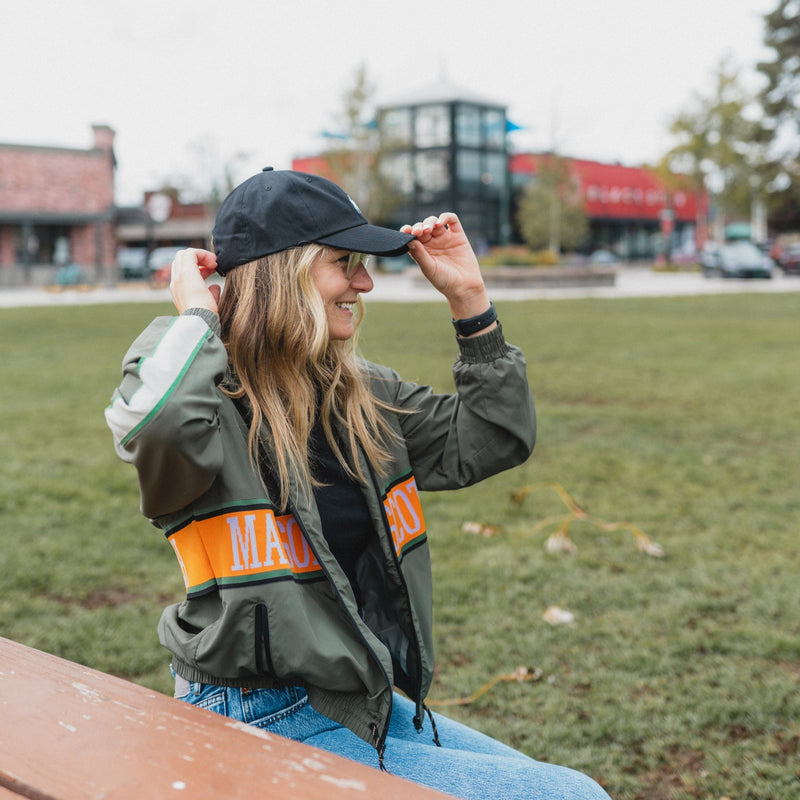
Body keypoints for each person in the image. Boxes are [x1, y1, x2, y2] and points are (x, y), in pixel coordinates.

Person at [105, 168, 611, 800]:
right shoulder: (200, 391)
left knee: (573, 789)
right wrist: (200, 316)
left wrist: (470, 300)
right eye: (344, 263)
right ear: (285, 271)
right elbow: (156, 425)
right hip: (254, 711)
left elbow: (493, 437)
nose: (364, 283)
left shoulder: (360, 393)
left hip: (353, 699)